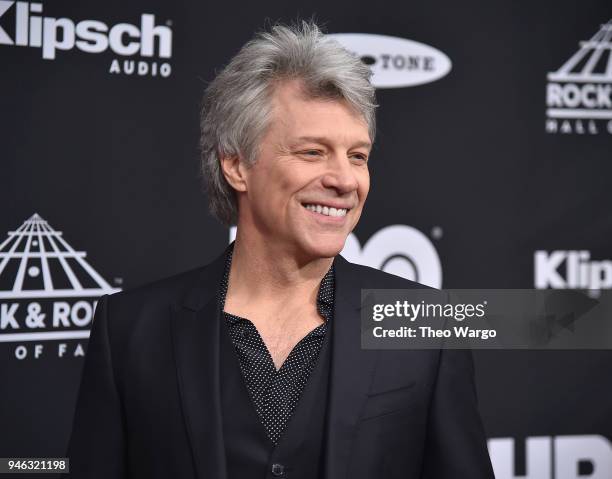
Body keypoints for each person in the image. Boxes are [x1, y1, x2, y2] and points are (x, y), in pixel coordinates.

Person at [66, 20, 495, 479]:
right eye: (313, 152)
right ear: (236, 165)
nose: (345, 180)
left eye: (357, 156)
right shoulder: (131, 331)